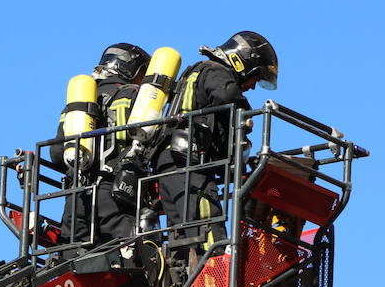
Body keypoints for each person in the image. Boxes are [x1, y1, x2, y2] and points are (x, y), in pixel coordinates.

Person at [154, 31, 278, 270]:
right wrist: (245, 115)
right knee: (209, 227)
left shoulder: (196, 71)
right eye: (254, 76)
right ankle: (214, 285)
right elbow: (226, 95)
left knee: (183, 233)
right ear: (242, 61)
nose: (251, 86)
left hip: (171, 164)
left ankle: (186, 286)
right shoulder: (214, 71)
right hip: (189, 167)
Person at [50, 43, 150, 244]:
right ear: (131, 70)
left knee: (71, 259)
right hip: (117, 193)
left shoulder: (77, 104)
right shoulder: (135, 95)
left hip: (75, 198)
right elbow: (151, 141)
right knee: (137, 256)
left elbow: (56, 153)